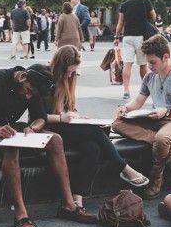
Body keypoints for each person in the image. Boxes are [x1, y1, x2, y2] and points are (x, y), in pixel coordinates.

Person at [0, 63, 97, 227]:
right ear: (23, 77)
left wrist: (33, 128)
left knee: (55, 140)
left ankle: (68, 205)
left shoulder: (35, 87)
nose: (27, 96)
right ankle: (21, 213)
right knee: (11, 146)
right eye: (28, 91)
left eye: (32, 95)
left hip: (8, 127)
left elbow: (40, 117)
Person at [45, 45, 149, 200]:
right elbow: (38, 116)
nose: (70, 75)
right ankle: (125, 168)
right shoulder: (46, 79)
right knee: (94, 131)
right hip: (48, 129)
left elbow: (66, 109)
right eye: (68, 71)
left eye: (73, 71)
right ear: (60, 66)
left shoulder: (68, 79)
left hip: (64, 126)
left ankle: (77, 197)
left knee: (93, 148)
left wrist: (75, 116)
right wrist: (62, 118)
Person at [112, 35, 171, 199]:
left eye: (153, 62)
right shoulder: (150, 77)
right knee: (117, 124)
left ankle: (156, 180)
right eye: (147, 62)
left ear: (166, 57)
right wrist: (124, 108)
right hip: (156, 118)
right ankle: (166, 145)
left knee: (162, 138)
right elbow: (138, 102)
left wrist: (167, 112)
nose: (149, 66)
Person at [113, 0, 157, 100]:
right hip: (141, 37)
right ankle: (146, 88)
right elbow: (153, 17)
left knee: (128, 64)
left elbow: (120, 22)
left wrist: (116, 37)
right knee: (142, 64)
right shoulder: (146, 2)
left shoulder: (124, 5)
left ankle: (126, 90)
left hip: (127, 37)